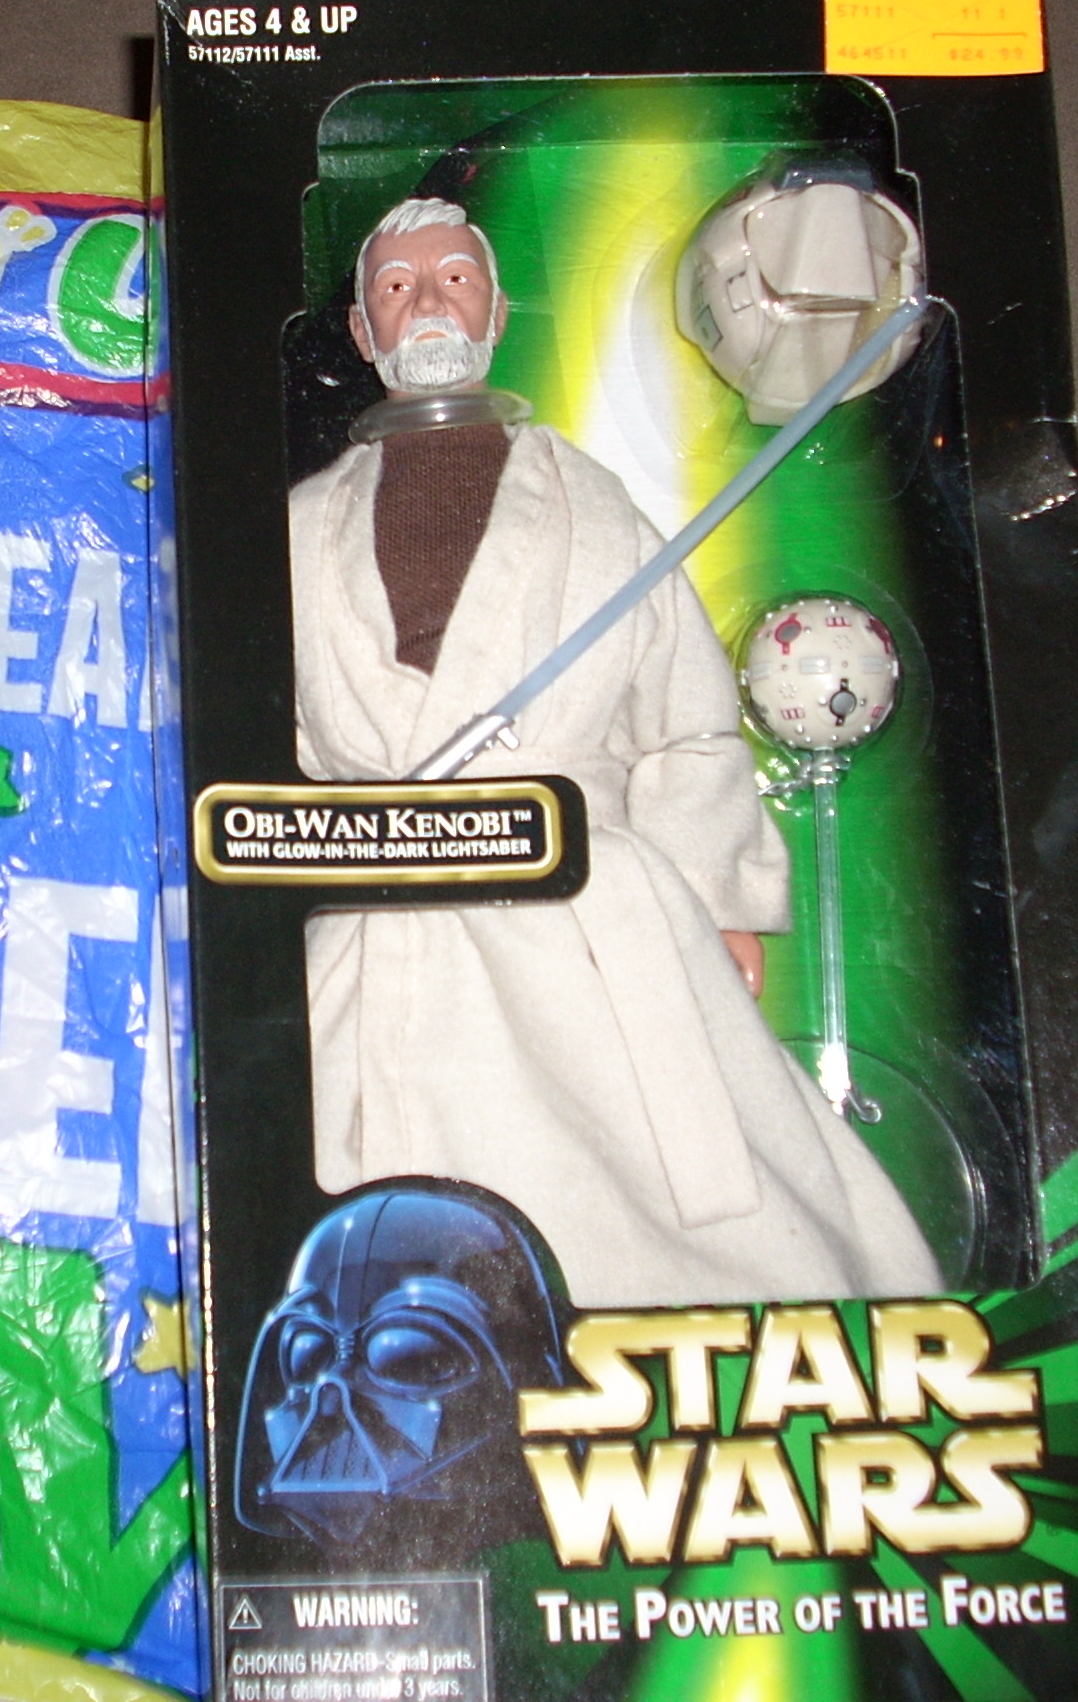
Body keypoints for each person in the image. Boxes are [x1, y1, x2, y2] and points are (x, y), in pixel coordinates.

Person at [288, 196, 940, 1308]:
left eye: (454, 279)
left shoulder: (591, 509)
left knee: (665, 1183)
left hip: (576, 903)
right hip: (378, 914)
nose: (428, 304)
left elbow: (682, 715)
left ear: (497, 312)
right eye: (397, 288)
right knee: (354, 1198)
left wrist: (716, 896)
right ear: (361, 330)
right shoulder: (299, 528)